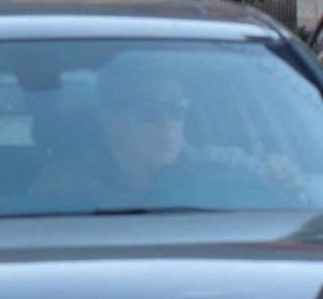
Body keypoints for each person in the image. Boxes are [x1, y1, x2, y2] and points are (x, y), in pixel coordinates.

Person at [31, 58, 302, 208]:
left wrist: (281, 184)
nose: (167, 122)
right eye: (148, 110)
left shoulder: (222, 167)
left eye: (177, 109)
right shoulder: (63, 185)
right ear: (109, 117)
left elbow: (301, 205)